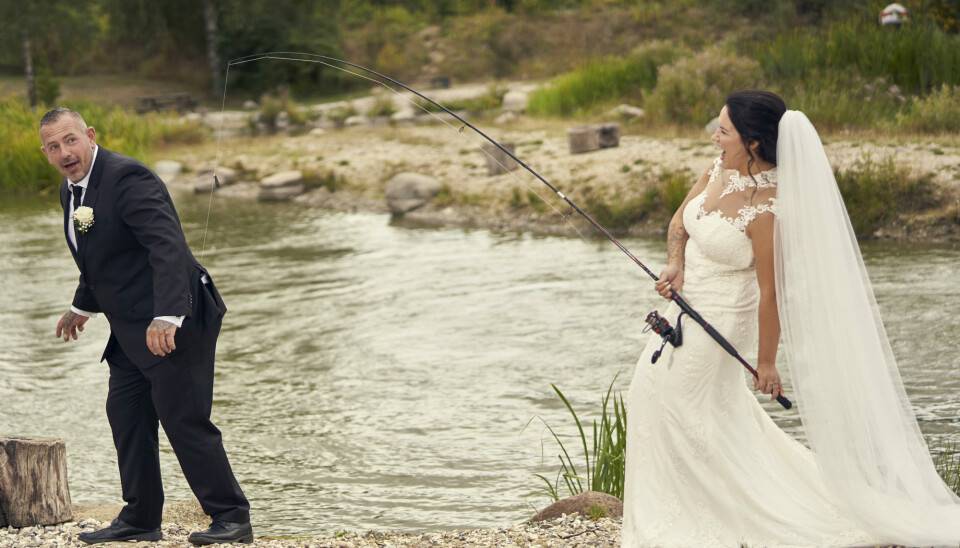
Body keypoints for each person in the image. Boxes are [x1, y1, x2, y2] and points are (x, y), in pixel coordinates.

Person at [621, 90, 960, 547]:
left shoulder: (770, 207)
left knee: (680, 405)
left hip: (725, 319)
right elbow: (680, 223)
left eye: (723, 131)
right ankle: (681, 505)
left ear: (754, 143)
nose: (715, 138)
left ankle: (707, 517)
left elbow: (771, 292)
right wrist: (675, 264)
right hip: (683, 307)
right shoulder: (719, 167)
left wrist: (766, 362)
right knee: (650, 389)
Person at [40, 108, 253, 545]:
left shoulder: (126, 177)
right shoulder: (71, 191)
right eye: (53, 146)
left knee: (184, 419)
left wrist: (168, 314)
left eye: (70, 140)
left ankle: (232, 517)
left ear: (90, 135)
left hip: (175, 320)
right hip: (130, 327)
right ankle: (141, 518)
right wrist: (82, 306)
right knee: (127, 414)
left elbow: (167, 245)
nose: (65, 153)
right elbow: (103, 258)